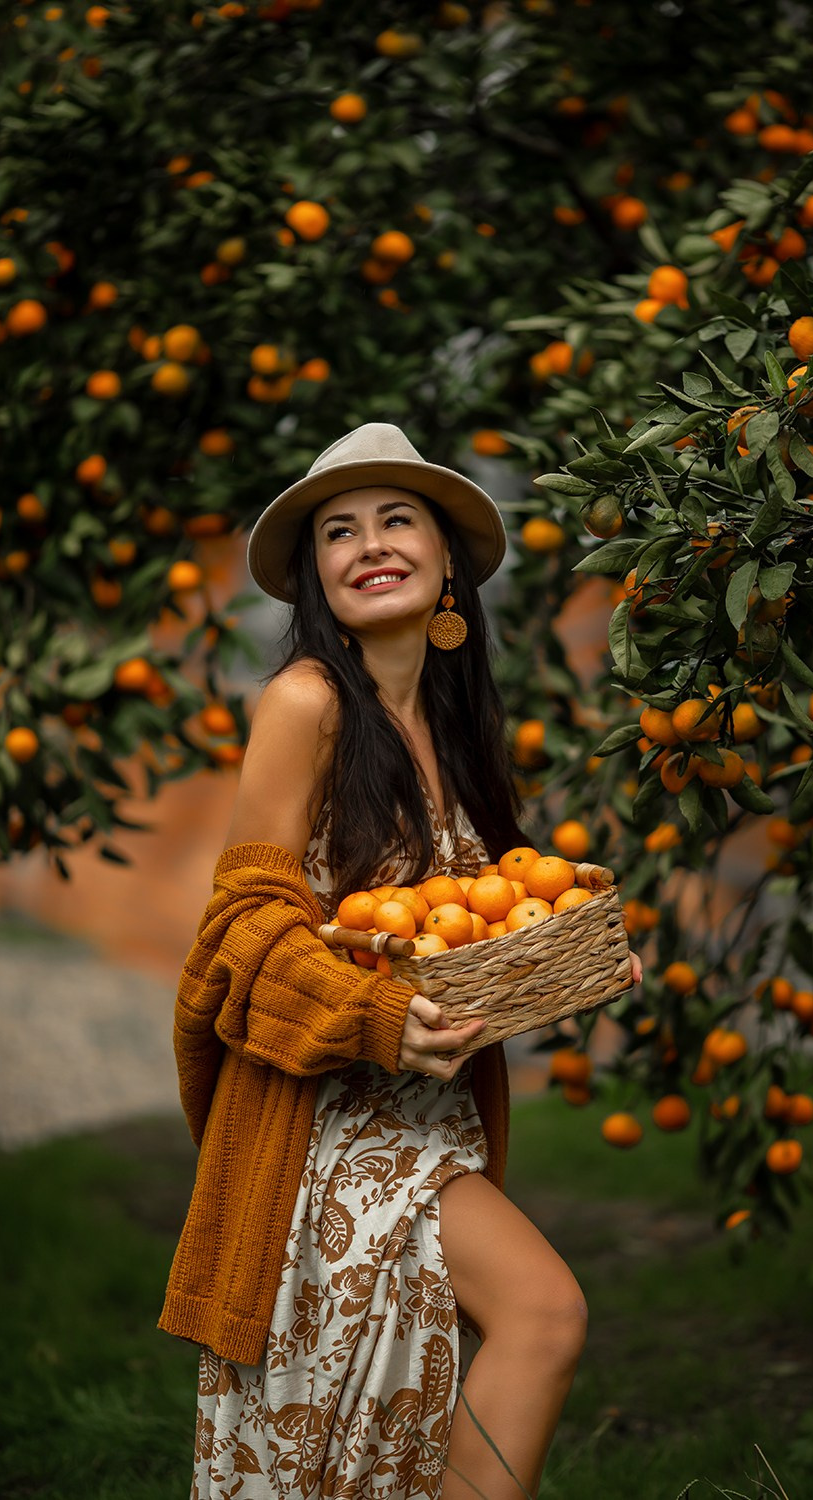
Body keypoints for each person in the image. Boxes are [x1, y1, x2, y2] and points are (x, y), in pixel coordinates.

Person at [160, 422, 639, 1500]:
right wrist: (376, 1021)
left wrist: (569, 955)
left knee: (387, 1424)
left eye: (395, 519)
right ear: (318, 578)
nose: (368, 543)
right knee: (543, 1312)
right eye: (339, 530)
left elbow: (451, 931)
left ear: (445, 566)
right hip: (330, 1131)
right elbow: (242, 925)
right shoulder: (307, 706)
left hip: (430, 1120)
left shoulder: (449, 724)